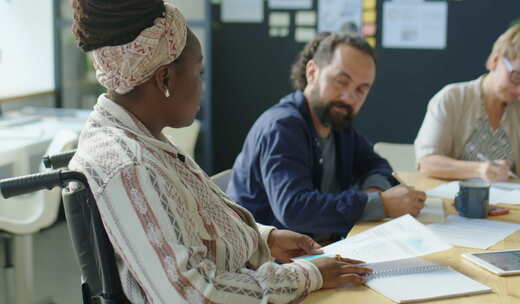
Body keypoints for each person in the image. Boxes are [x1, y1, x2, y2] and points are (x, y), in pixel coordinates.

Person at [68, 1, 372, 303]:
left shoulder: (145, 141)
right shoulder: (129, 164)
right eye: (198, 72)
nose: (202, 85)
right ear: (165, 79)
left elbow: (193, 227)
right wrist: (310, 275)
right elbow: (196, 296)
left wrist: (264, 240)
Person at [227, 32, 426, 242]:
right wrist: (380, 204)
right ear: (312, 72)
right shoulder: (282, 127)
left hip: (321, 248)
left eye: (361, 90)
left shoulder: (337, 124)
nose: (349, 97)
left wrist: (375, 194)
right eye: (341, 81)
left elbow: (378, 166)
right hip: (268, 263)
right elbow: (295, 209)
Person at [415, 24, 520, 184]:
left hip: (512, 207)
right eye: (516, 77)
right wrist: (479, 169)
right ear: (495, 61)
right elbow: (426, 162)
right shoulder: (452, 98)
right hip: (455, 203)